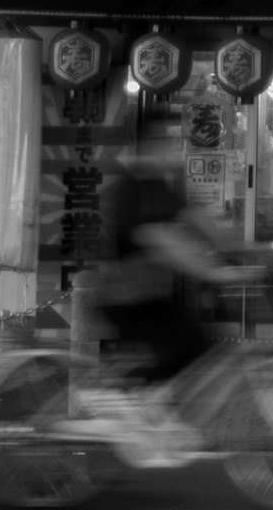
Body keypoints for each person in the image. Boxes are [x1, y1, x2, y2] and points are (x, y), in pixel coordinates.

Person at [74, 130, 243, 462]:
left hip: (149, 296)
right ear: (147, 147)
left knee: (192, 344)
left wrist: (246, 249)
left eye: (175, 145)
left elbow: (199, 221)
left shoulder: (164, 188)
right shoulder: (130, 189)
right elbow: (158, 239)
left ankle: (146, 411)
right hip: (121, 298)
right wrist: (210, 271)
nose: (174, 152)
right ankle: (129, 408)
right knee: (189, 343)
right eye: (167, 144)